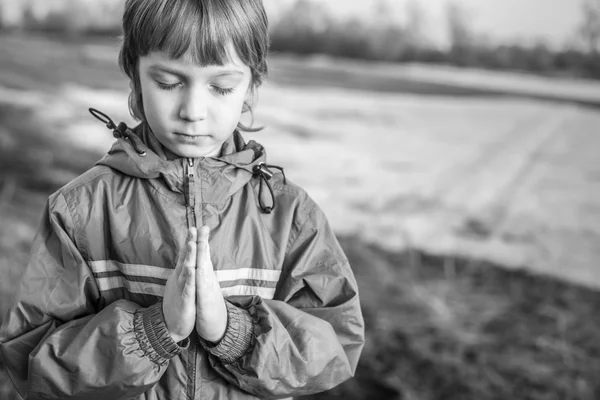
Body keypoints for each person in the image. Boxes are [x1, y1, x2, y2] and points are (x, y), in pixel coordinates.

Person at [0, 0, 365, 399]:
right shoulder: (80, 210)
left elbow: (336, 347)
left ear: (251, 87)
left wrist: (232, 331)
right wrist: (155, 332)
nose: (193, 111)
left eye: (221, 87)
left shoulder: (291, 215)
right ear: (135, 77)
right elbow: (32, 363)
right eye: (169, 82)